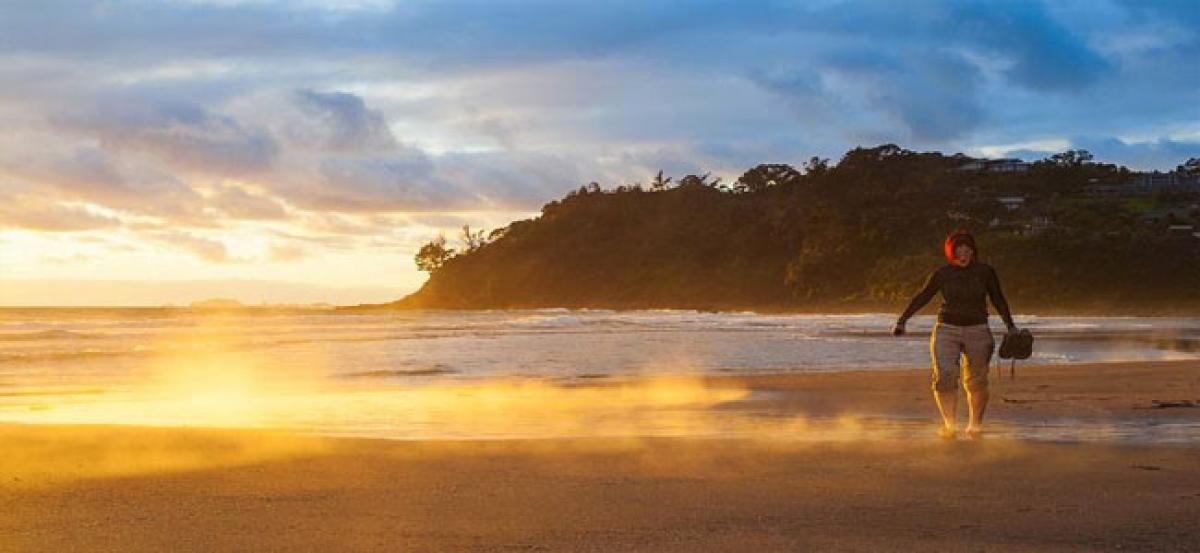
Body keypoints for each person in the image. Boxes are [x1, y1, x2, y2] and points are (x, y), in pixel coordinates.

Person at [891, 230, 1017, 439]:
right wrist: (902, 321)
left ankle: (975, 425)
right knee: (945, 376)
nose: (964, 254)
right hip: (946, 329)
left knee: (977, 380)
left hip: (978, 329)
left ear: (973, 252)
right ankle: (949, 425)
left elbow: (998, 299)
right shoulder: (942, 274)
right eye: (959, 250)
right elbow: (922, 297)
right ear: (951, 252)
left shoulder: (985, 272)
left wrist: (1010, 326)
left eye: (968, 250)